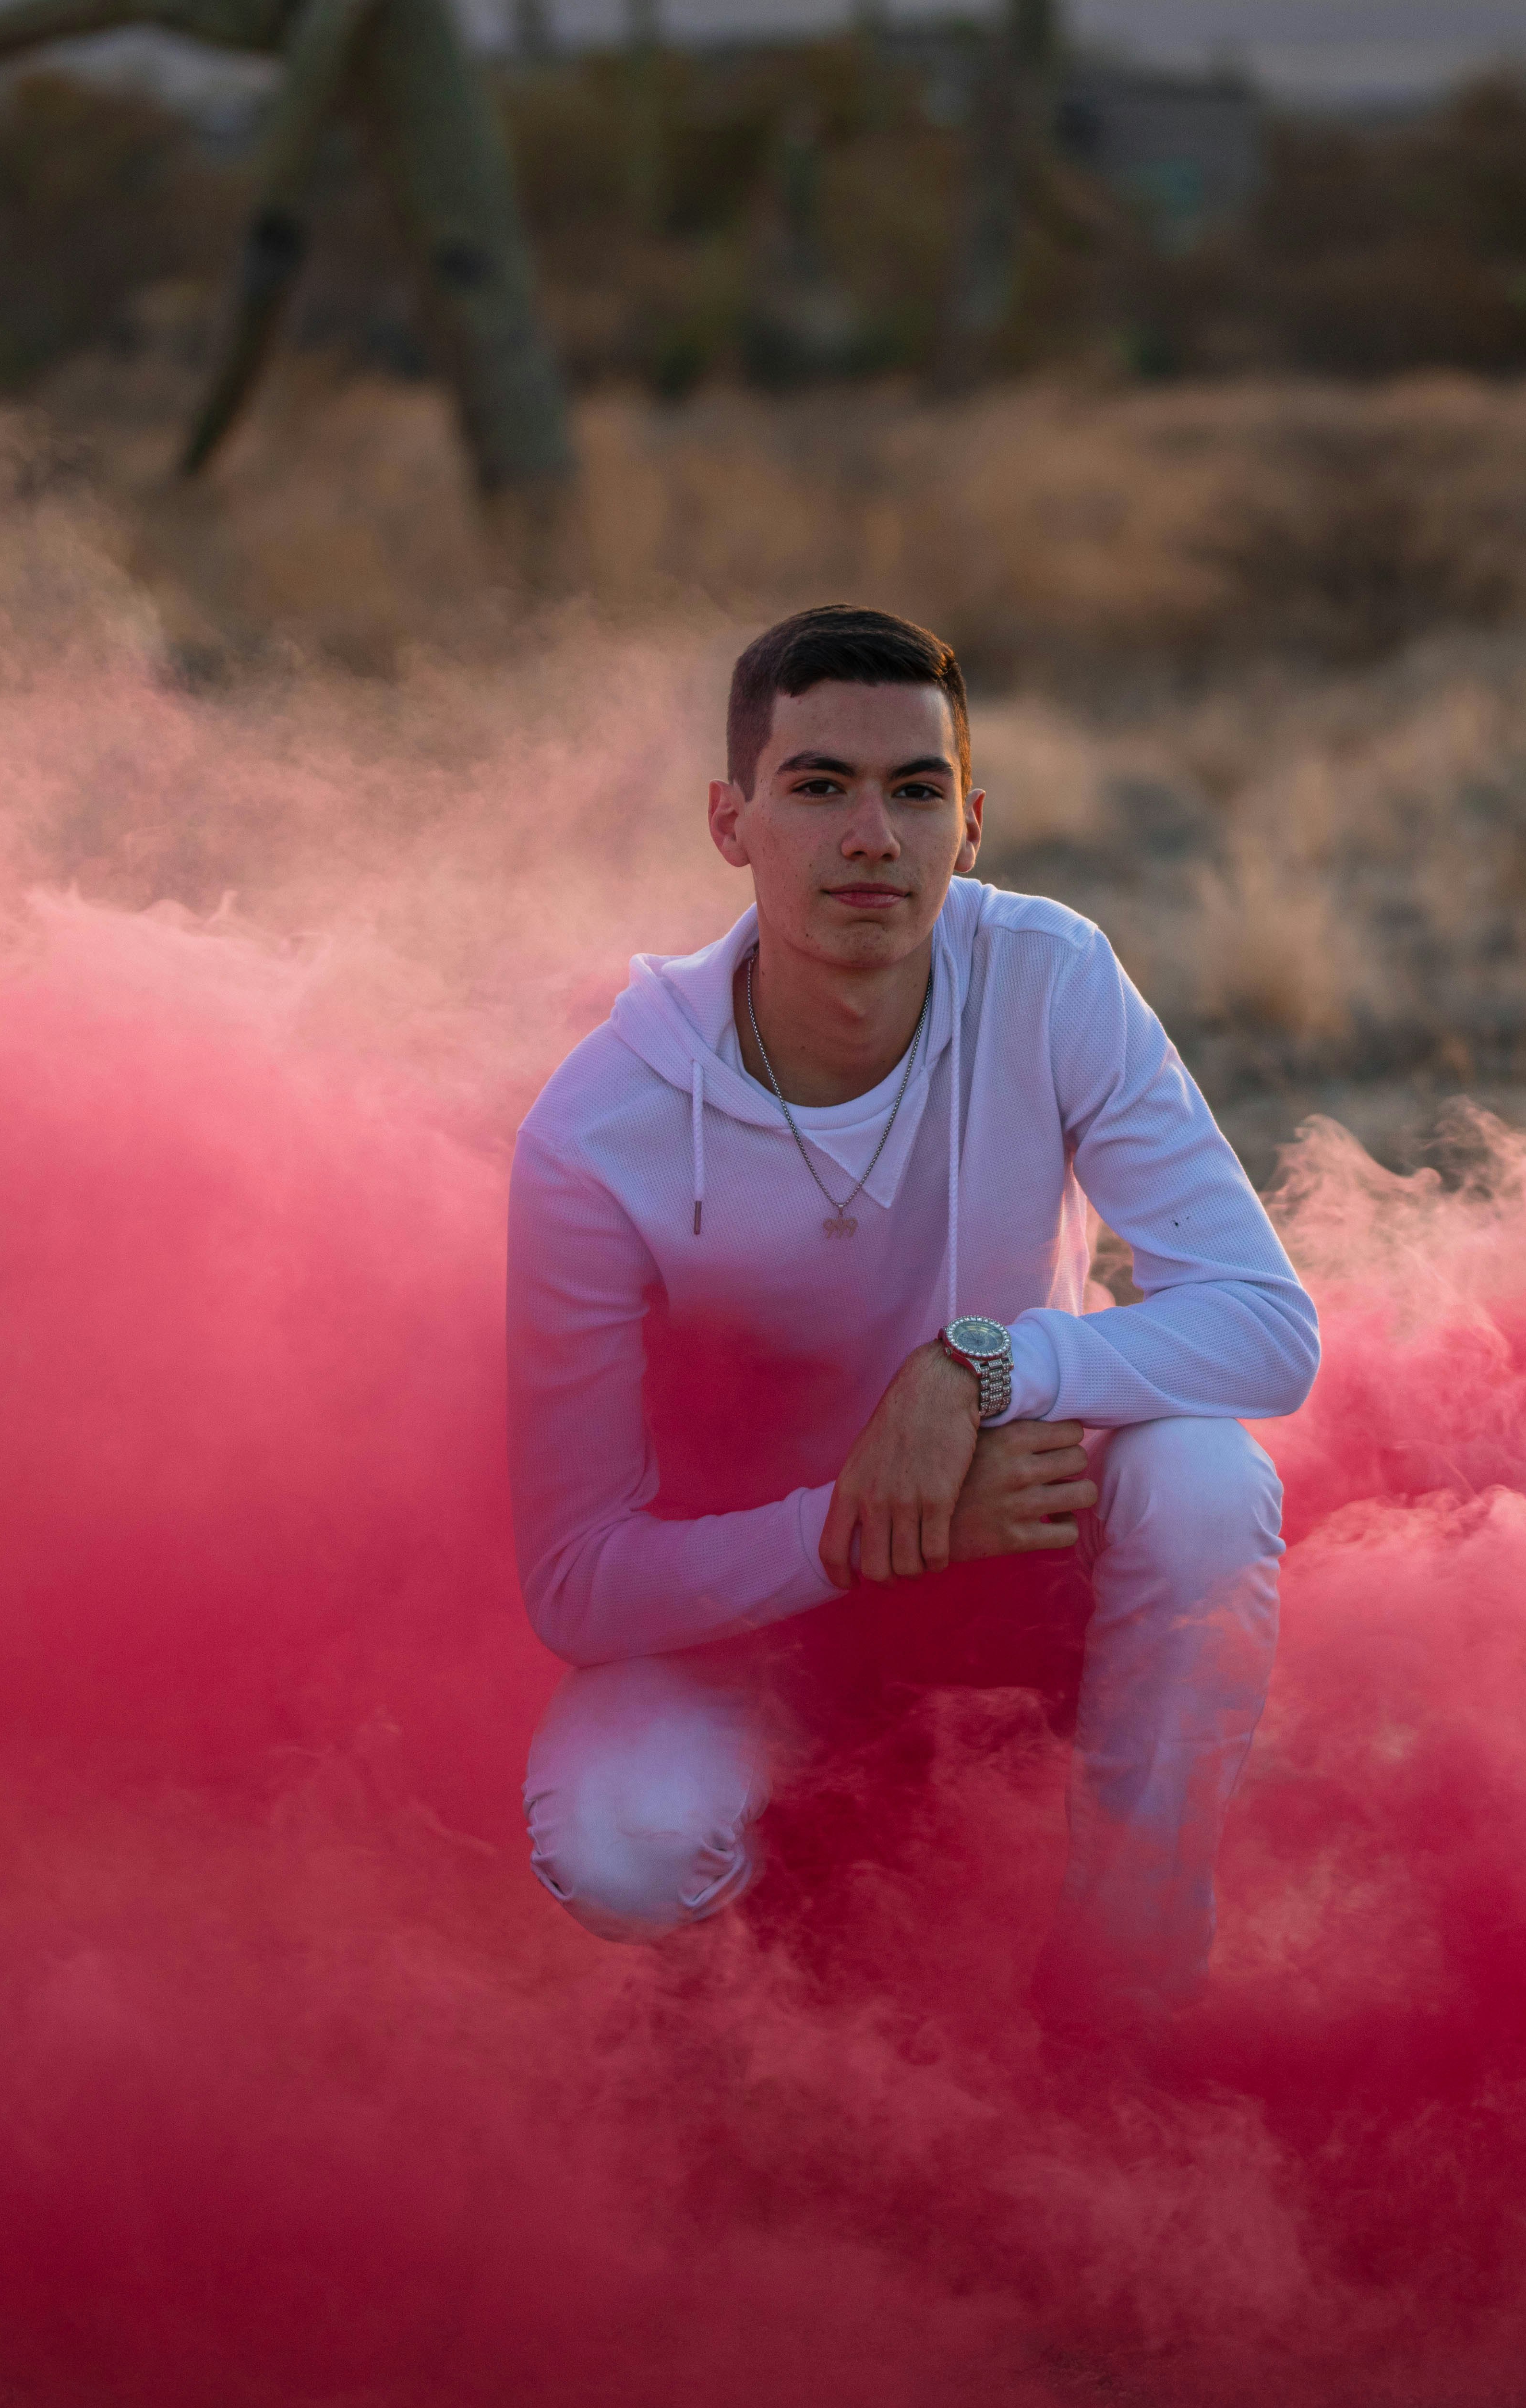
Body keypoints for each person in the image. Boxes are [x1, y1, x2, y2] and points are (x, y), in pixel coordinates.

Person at [506, 603, 1319, 2037]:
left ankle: (1121, 2011)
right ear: (731, 822)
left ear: (973, 823)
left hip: (1022, 1563)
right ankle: (744, 2043)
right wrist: (856, 1525)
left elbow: (1264, 1328)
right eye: (818, 787)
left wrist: (983, 1365)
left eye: (915, 789)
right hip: (754, 1628)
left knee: (1206, 1480)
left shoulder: (1051, 979)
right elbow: (577, 1582)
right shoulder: (603, 1130)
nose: (871, 836)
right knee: (626, 1844)